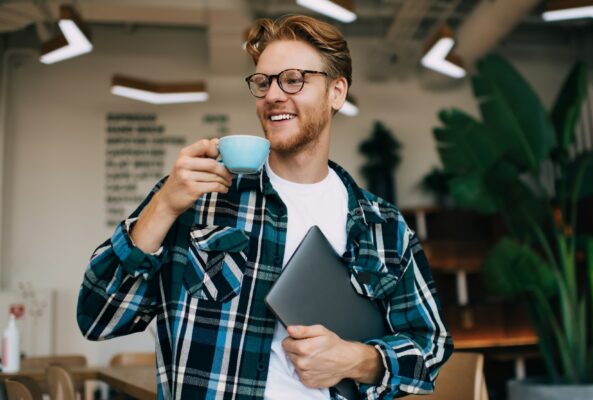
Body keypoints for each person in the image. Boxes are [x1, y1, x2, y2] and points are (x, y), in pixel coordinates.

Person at [77, 14, 453, 400]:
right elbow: (97, 318)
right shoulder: (196, 198)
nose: (273, 95)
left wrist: (356, 360)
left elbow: (432, 347)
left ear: (336, 92)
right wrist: (163, 206)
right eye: (263, 82)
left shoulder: (384, 226)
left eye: (294, 79)